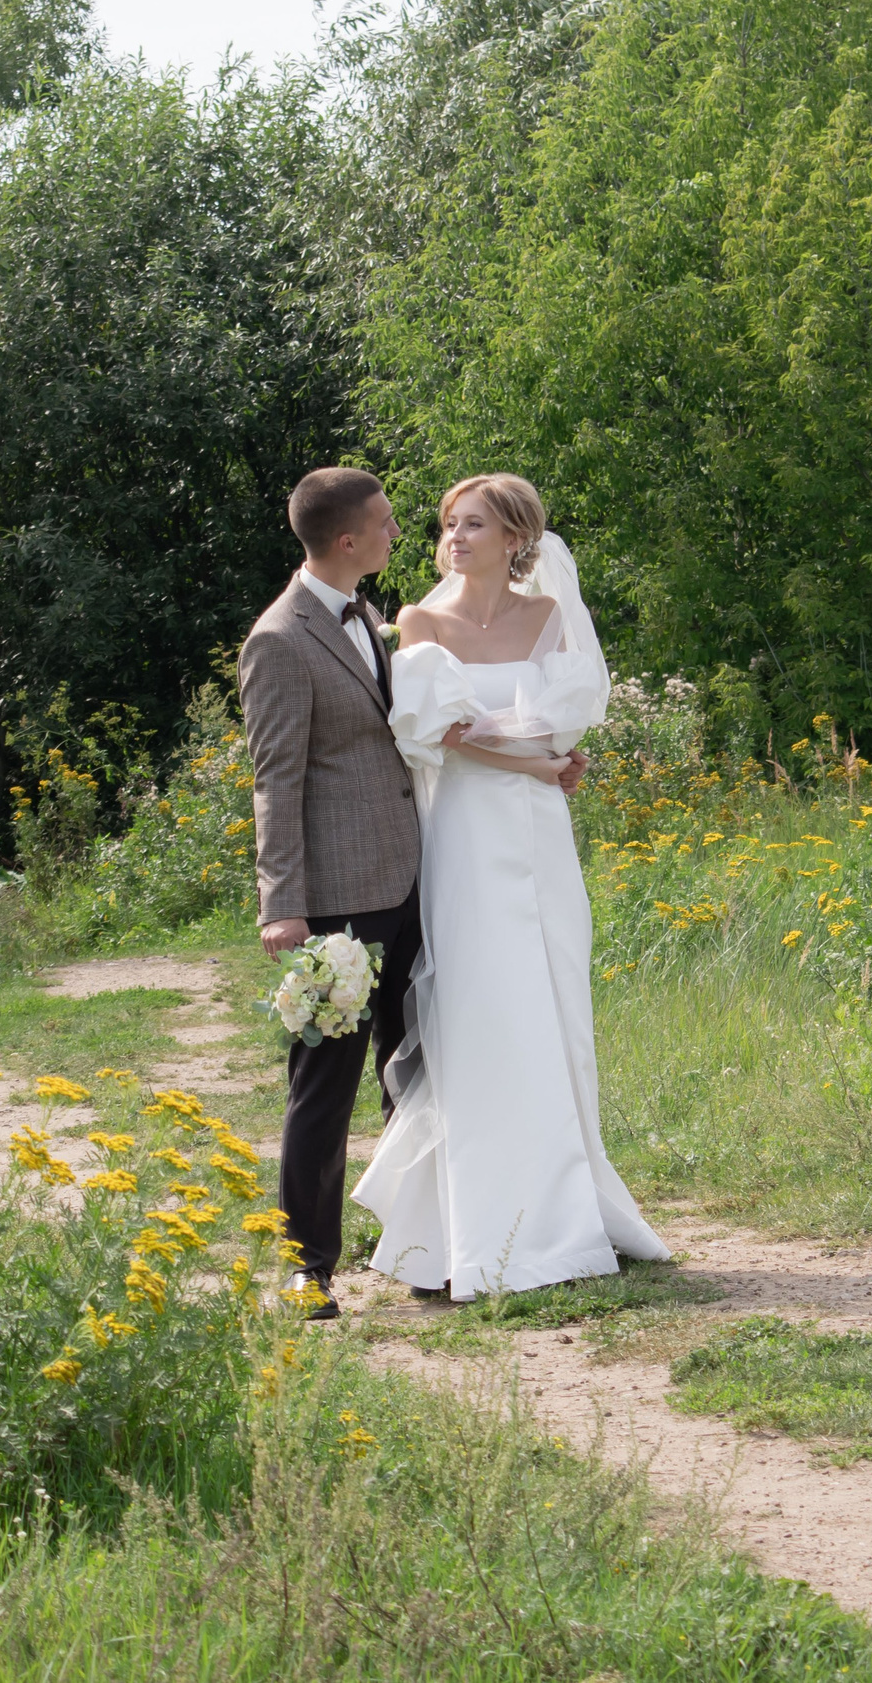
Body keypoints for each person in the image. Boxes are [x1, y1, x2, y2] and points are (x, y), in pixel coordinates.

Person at [238, 467, 585, 1321]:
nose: (407, 535)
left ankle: (426, 1244)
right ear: (349, 539)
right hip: (330, 897)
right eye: (390, 524)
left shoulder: (366, 617)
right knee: (323, 1081)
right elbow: (275, 780)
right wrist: (281, 901)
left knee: (416, 1065)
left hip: (412, 876)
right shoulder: (279, 638)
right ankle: (307, 1267)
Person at [353, 473, 668, 1300]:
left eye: (474, 525)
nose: (454, 537)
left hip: (538, 835)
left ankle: (568, 1207)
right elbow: (444, 736)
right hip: (464, 833)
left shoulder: (549, 617)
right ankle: (468, 1224)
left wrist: (558, 759)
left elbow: (561, 722)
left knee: (550, 1002)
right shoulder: (419, 621)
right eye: (449, 524)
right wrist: (538, 760)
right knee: (478, 1006)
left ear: (515, 539)